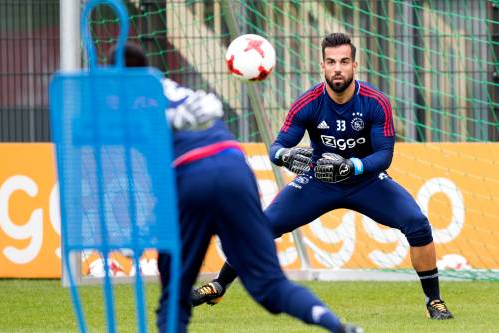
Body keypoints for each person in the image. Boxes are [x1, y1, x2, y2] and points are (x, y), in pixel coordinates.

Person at [191, 32, 454, 320]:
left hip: (365, 180)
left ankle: (434, 301)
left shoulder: (375, 102)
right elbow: (277, 147)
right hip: (319, 180)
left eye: (344, 61)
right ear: (322, 65)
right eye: (331, 62)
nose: (337, 68)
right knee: (262, 226)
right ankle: (219, 285)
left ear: (355, 65)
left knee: (417, 224)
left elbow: (384, 155)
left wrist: (351, 166)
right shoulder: (308, 103)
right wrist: (286, 156)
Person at [111, 42, 363, 333]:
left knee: (174, 298)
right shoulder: (176, 88)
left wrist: (145, 227)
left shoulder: (128, 107)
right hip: (235, 166)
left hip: (193, 176)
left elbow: (155, 175)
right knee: (271, 285)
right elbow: (212, 112)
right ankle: (339, 327)